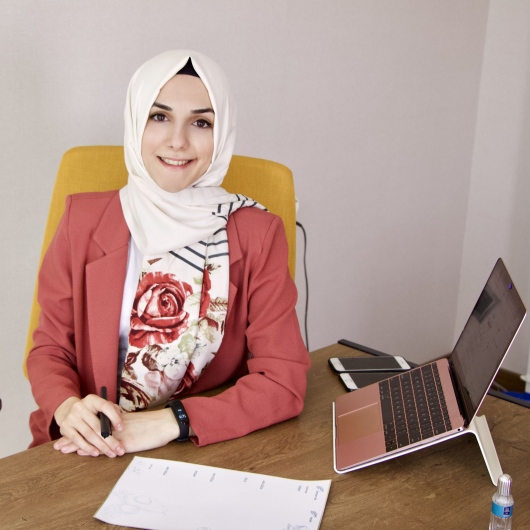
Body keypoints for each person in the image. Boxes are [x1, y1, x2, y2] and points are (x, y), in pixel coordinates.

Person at [27, 50, 310, 458]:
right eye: (159, 116)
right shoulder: (82, 220)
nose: (178, 141)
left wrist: (172, 421)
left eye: (201, 122)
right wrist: (68, 407)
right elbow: (50, 349)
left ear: (222, 133)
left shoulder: (257, 235)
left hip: (197, 448)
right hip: (86, 446)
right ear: (135, 122)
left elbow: (283, 382)